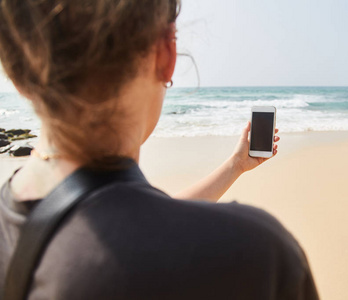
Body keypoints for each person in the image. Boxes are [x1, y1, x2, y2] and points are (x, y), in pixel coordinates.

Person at [0, 1, 319, 299]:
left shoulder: (11, 220)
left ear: (16, 72)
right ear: (166, 55)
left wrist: (235, 165)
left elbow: (131, 226)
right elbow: (148, 229)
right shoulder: (258, 255)